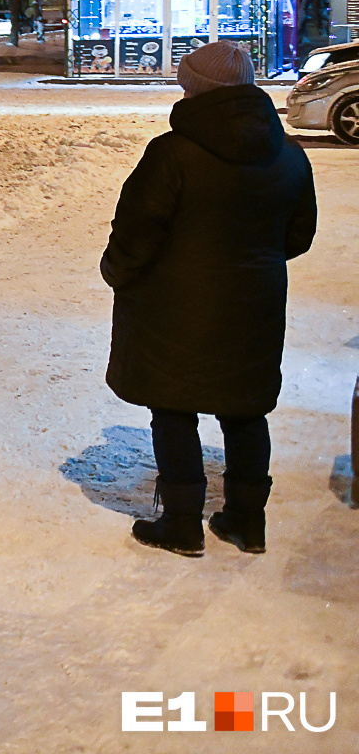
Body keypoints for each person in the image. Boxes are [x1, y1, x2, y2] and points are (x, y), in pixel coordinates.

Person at [102, 41, 316, 557]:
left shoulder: (172, 152)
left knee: (174, 405)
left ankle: (181, 522)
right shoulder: (288, 151)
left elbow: (137, 232)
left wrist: (118, 273)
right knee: (244, 408)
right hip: (255, 304)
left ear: (193, 87)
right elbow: (298, 237)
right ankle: (247, 521)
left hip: (174, 306)